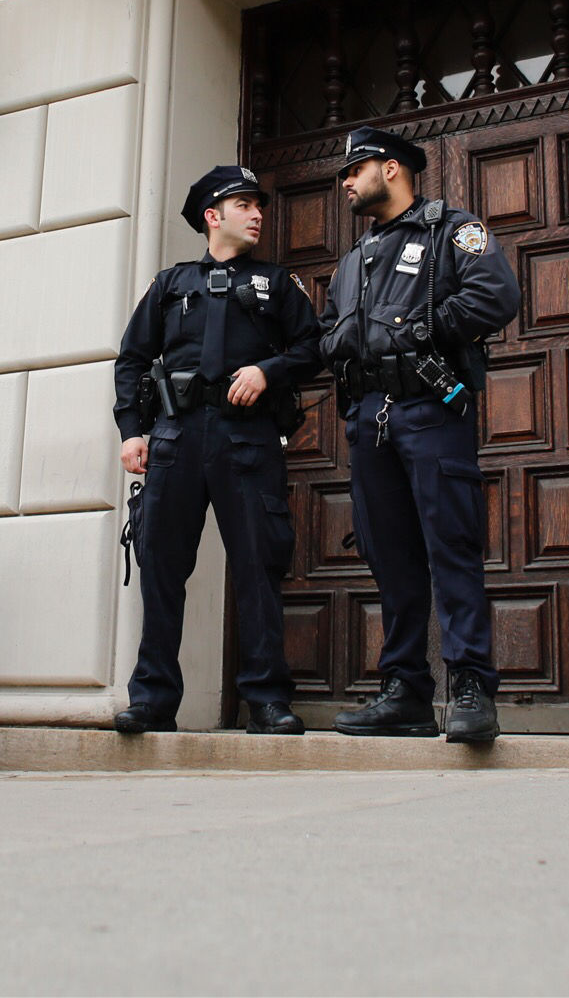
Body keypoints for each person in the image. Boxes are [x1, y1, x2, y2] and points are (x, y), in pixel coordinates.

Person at [319, 127, 521, 743]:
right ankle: (404, 689)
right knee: (391, 559)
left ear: (391, 168)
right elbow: (330, 331)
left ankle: (470, 687)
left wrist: (425, 333)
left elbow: (497, 294)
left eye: (355, 171)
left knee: (451, 548)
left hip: (432, 410)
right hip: (370, 420)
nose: (347, 183)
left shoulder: (450, 231)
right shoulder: (353, 261)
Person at [111, 165, 322, 735]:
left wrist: (267, 370)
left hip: (248, 437)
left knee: (258, 567)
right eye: (245, 205)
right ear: (213, 215)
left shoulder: (277, 284)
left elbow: (314, 348)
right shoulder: (170, 284)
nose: (257, 215)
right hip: (176, 439)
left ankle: (267, 700)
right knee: (161, 569)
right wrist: (132, 429)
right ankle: (153, 700)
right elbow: (132, 360)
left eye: (259, 206)